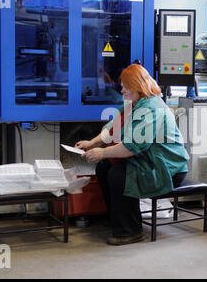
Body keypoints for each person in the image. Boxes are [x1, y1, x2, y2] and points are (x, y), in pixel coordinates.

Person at [75, 64, 189, 245]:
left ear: (137, 85)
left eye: (125, 86)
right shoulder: (135, 104)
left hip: (166, 168)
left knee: (119, 174)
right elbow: (112, 129)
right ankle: (118, 219)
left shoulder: (152, 107)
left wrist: (103, 152)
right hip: (148, 162)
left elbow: (132, 146)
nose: (122, 90)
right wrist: (92, 143)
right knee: (105, 167)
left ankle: (130, 230)